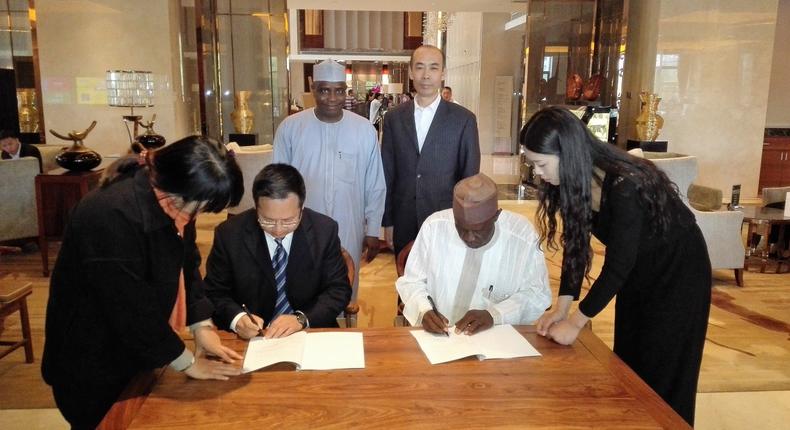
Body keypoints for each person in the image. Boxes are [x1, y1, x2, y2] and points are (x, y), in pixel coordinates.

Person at [522, 107, 711, 425]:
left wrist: (577, 322)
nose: (538, 173)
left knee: (665, 372)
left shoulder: (626, 183)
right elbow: (576, 247)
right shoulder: (575, 182)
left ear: (567, 153)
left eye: (542, 164)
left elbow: (619, 263)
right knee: (630, 366)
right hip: (639, 275)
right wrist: (562, 307)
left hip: (678, 276)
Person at [41, 136, 245, 429]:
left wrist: (202, 326)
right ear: (176, 182)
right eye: (198, 205)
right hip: (92, 363)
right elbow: (128, 307)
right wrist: (186, 362)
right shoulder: (108, 214)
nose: (196, 214)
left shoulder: (172, 200)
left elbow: (187, 262)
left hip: (135, 355)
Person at [273, 58, 386, 299]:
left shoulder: (364, 129)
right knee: (303, 287)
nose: (332, 98)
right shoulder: (291, 128)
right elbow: (278, 183)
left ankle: (347, 332)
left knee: (346, 285)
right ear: (313, 89)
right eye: (324, 90)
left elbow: (375, 184)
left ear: (345, 92)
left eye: (338, 91)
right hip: (302, 225)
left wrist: (374, 229)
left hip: (350, 223)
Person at [205, 164, 352, 339]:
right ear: (256, 208)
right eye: (267, 220)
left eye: (289, 220)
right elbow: (214, 292)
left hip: (309, 334)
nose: (278, 230)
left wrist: (301, 318)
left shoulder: (324, 230)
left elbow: (338, 290)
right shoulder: (229, 234)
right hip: (252, 339)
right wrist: (237, 319)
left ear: (301, 209)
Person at [396, 173, 551, 335]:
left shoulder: (522, 236)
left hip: (496, 340)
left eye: (478, 230)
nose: (468, 238)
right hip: (440, 339)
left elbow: (537, 294)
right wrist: (423, 310)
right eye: (461, 228)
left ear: (496, 216)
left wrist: (495, 315)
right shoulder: (434, 226)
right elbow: (411, 282)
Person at [381, 44, 481, 256]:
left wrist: (466, 223)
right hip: (403, 220)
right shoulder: (394, 118)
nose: (426, 75)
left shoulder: (463, 120)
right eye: (419, 67)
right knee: (406, 283)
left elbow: (470, 178)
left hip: (446, 220)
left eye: (434, 68)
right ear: (410, 72)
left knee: (443, 285)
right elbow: (387, 173)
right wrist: (387, 220)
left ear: (443, 73)